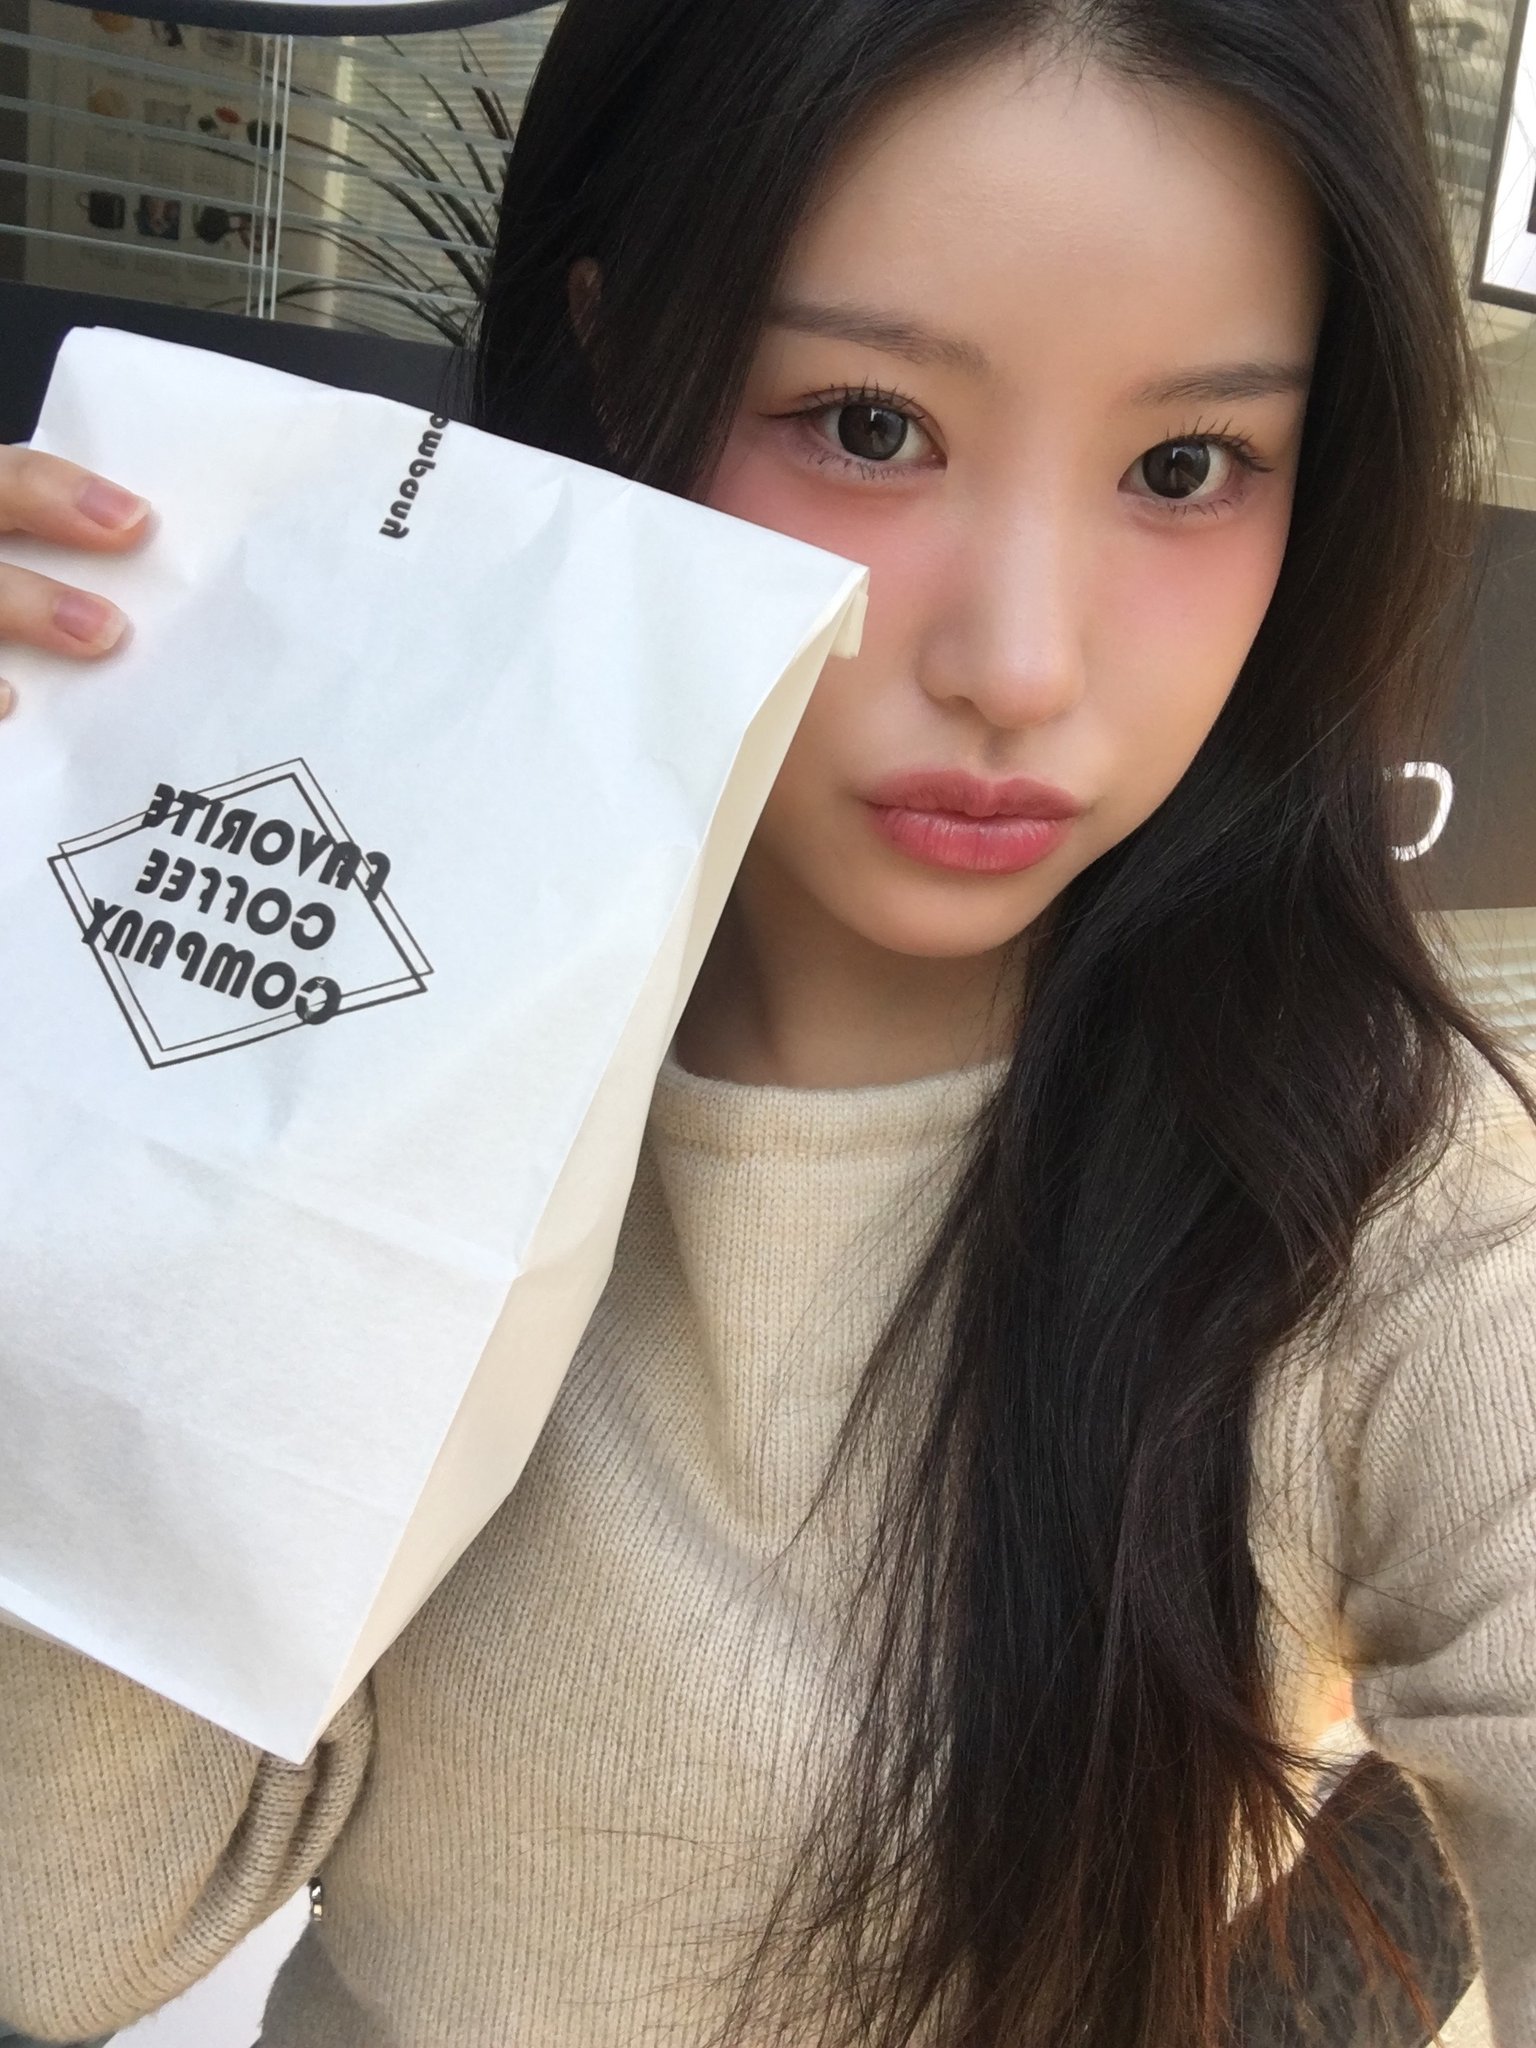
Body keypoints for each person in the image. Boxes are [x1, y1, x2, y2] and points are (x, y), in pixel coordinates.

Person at [2, 1, 1534, 2044]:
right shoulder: (377, 1017)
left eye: (1186, 466)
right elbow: (64, 1919)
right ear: (621, 356)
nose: (1019, 662)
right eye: (868, 424)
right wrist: (70, 1022)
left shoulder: (1382, 1201)